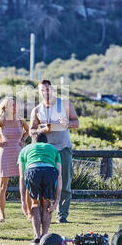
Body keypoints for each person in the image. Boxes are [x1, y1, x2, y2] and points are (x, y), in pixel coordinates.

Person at [29, 79, 79, 223]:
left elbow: (76, 122)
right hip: (46, 151)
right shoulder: (37, 110)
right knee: (47, 182)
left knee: (65, 182)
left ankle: (62, 215)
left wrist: (67, 123)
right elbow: (32, 130)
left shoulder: (64, 104)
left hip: (63, 148)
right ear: (39, 92)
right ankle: (46, 211)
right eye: (42, 90)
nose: (46, 92)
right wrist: (42, 130)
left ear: (53, 90)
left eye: (48, 89)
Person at [0, 97, 29, 222]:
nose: (15, 107)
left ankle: (27, 212)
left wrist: (23, 140)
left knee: (25, 184)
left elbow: (28, 130)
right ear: (6, 107)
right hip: (5, 154)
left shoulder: (21, 120)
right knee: (2, 186)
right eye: (12, 105)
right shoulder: (1, 121)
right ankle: (2, 215)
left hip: (19, 154)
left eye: (16, 105)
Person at [17, 132, 62, 245]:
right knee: (47, 204)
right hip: (50, 171)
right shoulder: (53, 149)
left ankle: (37, 236)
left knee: (35, 204)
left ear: (34, 142)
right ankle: (44, 236)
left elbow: (22, 176)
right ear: (46, 141)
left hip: (33, 170)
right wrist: (56, 201)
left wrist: (23, 200)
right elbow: (59, 175)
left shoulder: (25, 149)